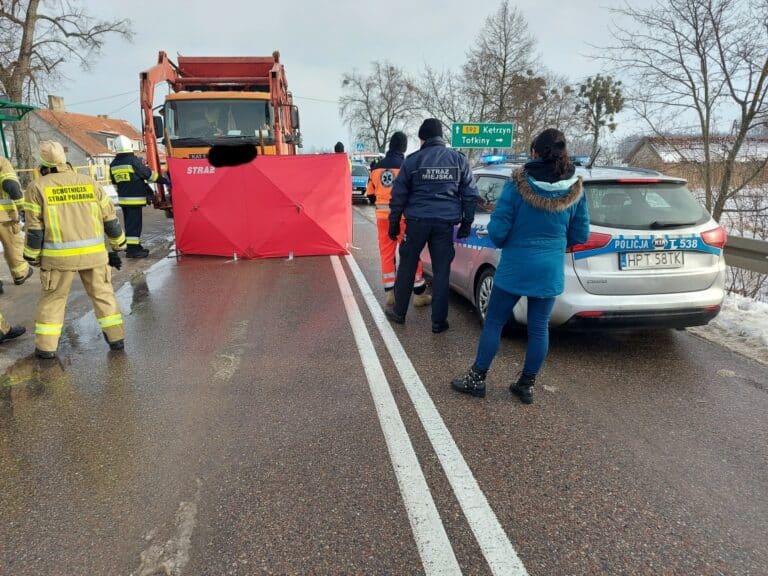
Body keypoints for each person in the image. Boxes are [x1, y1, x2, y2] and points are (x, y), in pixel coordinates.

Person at [451, 128, 590, 404]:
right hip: (549, 269)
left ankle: (477, 378)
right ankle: (526, 384)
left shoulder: (518, 184)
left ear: (535, 152)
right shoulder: (575, 188)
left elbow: (499, 232)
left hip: (515, 266)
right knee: (539, 328)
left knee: (494, 322)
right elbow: (580, 235)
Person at [23, 141, 127, 360]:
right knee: (103, 295)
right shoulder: (90, 183)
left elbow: (34, 229)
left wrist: (31, 256)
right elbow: (110, 219)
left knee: (53, 301)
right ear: (65, 161)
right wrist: (119, 244)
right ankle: (116, 339)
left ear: (42, 165)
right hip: (95, 256)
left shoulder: (37, 188)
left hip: (58, 260)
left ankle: (46, 347)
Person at [384, 118, 478, 333]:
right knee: (442, 271)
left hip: (416, 223)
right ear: (441, 137)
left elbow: (398, 195)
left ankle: (399, 313)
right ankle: (438, 322)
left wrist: (393, 224)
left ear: (422, 138)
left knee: (407, 266)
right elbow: (471, 194)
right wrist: (467, 222)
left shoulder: (413, 161)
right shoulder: (458, 160)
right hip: (444, 225)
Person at [366, 131, 430, 308]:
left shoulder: (375, 168)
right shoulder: (407, 165)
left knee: (386, 254)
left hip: (382, 218)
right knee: (411, 254)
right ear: (403, 147)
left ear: (390, 146)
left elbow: (370, 195)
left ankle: (389, 294)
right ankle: (418, 294)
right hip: (404, 218)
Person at [109, 135, 168, 258]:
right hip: (134, 200)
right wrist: (164, 181)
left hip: (123, 200)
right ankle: (133, 251)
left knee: (130, 224)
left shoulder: (113, 164)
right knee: (134, 225)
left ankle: (134, 247)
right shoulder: (133, 161)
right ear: (130, 146)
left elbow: (115, 183)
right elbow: (148, 175)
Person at [0, 155, 33, 291]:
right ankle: (20, 273)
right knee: (12, 245)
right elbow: (11, 185)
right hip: (4, 216)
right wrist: (23, 208)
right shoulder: (1, 161)